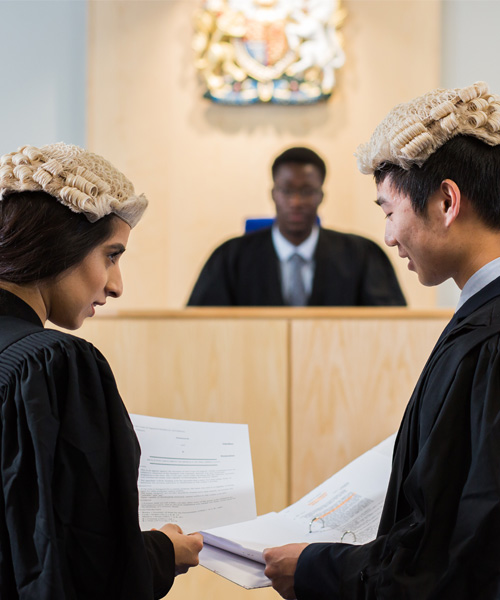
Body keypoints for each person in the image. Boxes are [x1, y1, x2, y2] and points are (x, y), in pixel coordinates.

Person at [263, 81, 500, 599]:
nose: (389, 236)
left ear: (445, 201)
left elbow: (464, 548)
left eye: (389, 212)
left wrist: (321, 570)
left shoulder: (490, 340)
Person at [0, 143, 203, 599]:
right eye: (111, 255)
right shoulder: (51, 364)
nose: (115, 285)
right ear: (59, 244)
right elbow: (83, 560)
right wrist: (163, 552)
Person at [187, 146, 406, 306]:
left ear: (321, 196)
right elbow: (199, 329)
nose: (296, 202)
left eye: (307, 191)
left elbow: (390, 329)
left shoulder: (363, 256)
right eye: (287, 190)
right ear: (273, 194)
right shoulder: (228, 259)